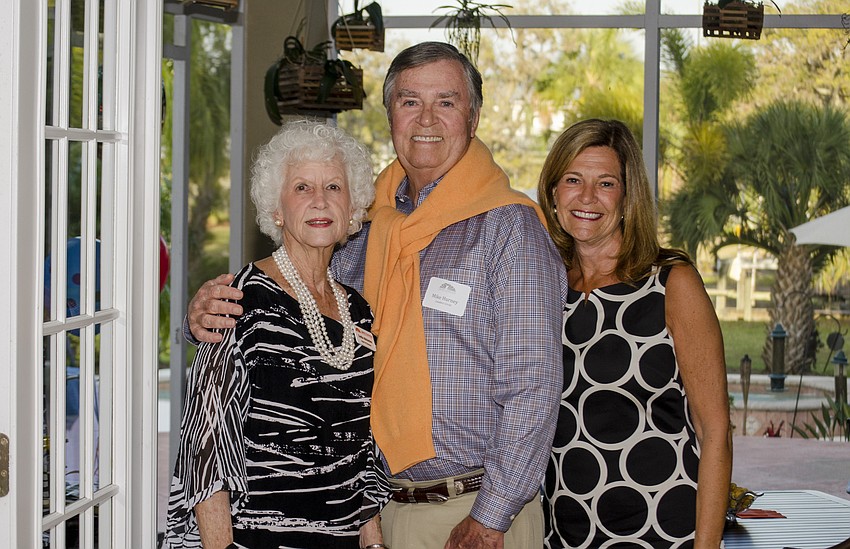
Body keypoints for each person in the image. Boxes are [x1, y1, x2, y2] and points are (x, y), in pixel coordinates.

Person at [186, 42, 567, 549]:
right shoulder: (365, 231)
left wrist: (490, 517)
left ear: (473, 118)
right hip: (377, 514)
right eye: (410, 101)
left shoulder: (509, 229)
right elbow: (285, 320)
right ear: (390, 115)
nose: (426, 118)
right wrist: (201, 317)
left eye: (446, 101)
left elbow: (534, 386)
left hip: (475, 512)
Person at [163, 120, 390, 549]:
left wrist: (374, 542)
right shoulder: (239, 300)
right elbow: (205, 450)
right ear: (277, 210)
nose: (320, 200)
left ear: (352, 209)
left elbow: (362, 449)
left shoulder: (358, 311)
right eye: (302, 187)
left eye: (334, 187)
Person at [537, 119, 732, 548]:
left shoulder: (671, 284)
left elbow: (714, 428)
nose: (587, 197)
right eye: (573, 180)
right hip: (563, 532)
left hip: (661, 528)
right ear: (553, 193)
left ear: (628, 199)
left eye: (606, 183)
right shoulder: (544, 286)